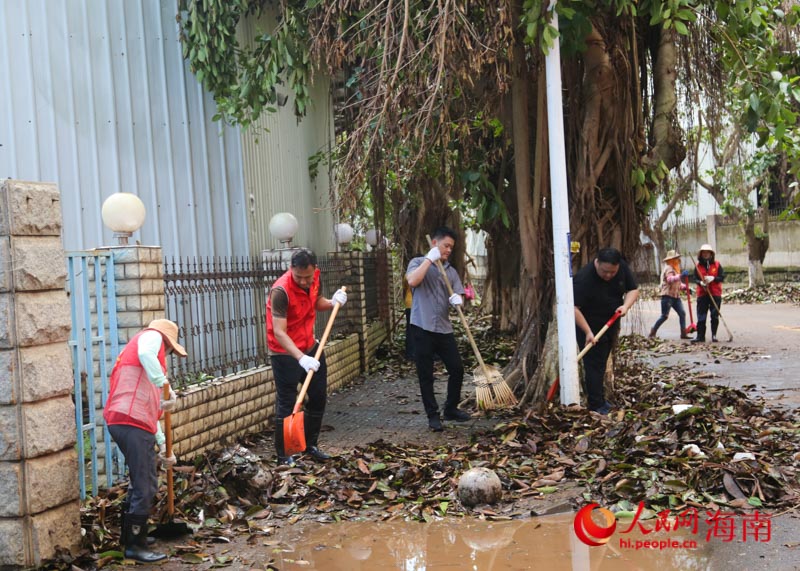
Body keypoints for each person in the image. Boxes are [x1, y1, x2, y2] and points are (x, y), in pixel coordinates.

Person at [103, 319, 186, 563]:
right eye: (171, 349)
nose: (168, 354)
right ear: (168, 341)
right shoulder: (152, 338)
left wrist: (163, 446)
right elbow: (145, 352)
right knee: (145, 483)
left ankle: (131, 536)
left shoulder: (149, 365)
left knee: (141, 479)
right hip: (129, 421)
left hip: (129, 421)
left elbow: (151, 413)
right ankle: (134, 547)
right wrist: (165, 385)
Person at [266, 248, 347, 466]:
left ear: (314, 271)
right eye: (298, 277)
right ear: (291, 270)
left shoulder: (314, 279)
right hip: (284, 352)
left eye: (307, 277)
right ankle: (284, 455)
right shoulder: (280, 291)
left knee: (318, 396)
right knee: (287, 403)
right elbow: (279, 332)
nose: (303, 281)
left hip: (310, 346)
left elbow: (316, 301)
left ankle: (310, 445)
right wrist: (301, 358)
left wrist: (332, 302)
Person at [405, 226, 471, 432]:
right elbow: (413, 281)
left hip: (443, 328)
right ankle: (433, 415)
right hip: (421, 326)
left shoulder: (450, 271)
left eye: (451, 247)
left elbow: (460, 295)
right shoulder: (417, 263)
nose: (449, 250)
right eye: (446, 246)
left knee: (457, 369)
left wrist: (458, 300)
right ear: (434, 243)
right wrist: (429, 260)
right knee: (426, 374)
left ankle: (450, 409)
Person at [573, 247, 640, 414]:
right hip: (589, 325)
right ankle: (596, 404)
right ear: (597, 262)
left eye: (613, 272)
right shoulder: (584, 278)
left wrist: (625, 306)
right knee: (594, 364)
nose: (609, 275)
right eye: (605, 272)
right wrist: (588, 332)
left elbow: (633, 289)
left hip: (610, 323)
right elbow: (573, 308)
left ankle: (600, 399)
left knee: (601, 362)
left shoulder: (621, 267)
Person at [648, 250, 691, 340]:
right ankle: (653, 331)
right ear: (671, 260)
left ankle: (683, 333)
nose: (677, 261)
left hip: (675, 296)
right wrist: (680, 276)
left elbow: (678, 284)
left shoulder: (676, 269)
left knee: (682, 313)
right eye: (675, 259)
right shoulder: (669, 268)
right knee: (664, 316)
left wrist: (686, 287)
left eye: (677, 259)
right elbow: (670, 279)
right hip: (667, 296)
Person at [692, 243, 725, 343]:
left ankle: (714, 335)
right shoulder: (697, 266)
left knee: (714, 315)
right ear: (701, 254)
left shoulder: (717, 265)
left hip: (715, 293)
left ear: (711, 254)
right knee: (701, 315)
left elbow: (722, 277)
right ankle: (700, 336)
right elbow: (694, 278)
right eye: (704, 253)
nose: (705, 254)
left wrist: (713, 278)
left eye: (707, 253)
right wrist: (700, 282)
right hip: (702, 294)